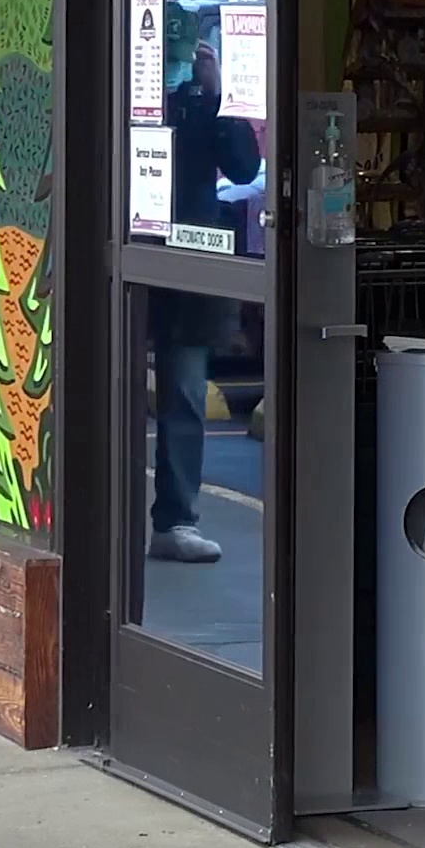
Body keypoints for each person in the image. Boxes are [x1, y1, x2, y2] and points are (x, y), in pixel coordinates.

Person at [148, 41, 266, 566]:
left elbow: (243, 167)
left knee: (186, 392)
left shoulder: (200, 102)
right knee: (102, 389)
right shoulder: (125, 89)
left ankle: (177, 520)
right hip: (127, 249)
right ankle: (91, 519)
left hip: (188, 256)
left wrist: (217, 94)